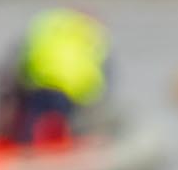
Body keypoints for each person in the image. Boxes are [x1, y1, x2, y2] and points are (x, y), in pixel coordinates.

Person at [6, 9, 110, 146]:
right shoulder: (93, 35)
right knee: (66, 121)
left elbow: (24, 58)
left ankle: (25, 145)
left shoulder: (46, 27)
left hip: (41, 83)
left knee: (31, 120)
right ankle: (64, 146)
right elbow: (98, 70)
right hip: (71, 90)